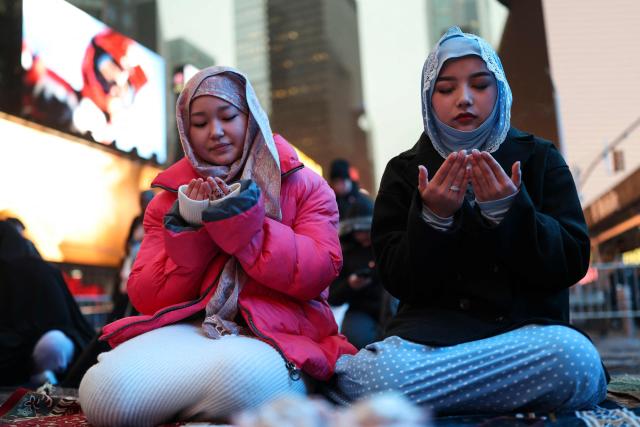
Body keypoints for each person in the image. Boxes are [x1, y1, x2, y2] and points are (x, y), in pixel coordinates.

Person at [332, 27, 607, 415]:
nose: (464, 99)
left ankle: (437, 401)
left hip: (523, 338)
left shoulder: (540, 158)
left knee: (573, 359)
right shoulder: (405, 170)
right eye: (446, 89)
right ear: (429, 99)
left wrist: (510, 212)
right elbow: (398, 279)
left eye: (479, 85)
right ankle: (500, 397)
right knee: (372, 376)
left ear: (500, 90)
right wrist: (433, 219)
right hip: (427, 343)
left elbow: (571, 261)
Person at [78, 66, 356, 426]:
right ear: (185, 129)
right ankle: (207, 412)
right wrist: (192, 224)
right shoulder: (166, 201)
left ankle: (189, 408)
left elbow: (316, 273)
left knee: (242, 380)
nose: (216, 132)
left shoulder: (306, 186)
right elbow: (147, 296)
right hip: (197, 329)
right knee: (104, 395)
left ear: (252, 117)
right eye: (200, 122)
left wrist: (243, 228)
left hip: (280, 337)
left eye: (228, 116)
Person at [0, 221, 94, 386]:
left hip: (44, 350)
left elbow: (60, 325)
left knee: (52, 344)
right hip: (33, 355)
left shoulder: (35, 271)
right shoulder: (44, 269)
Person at [328, 195, 387, 349]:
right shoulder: (346, 253)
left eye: (365, 230)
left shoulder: (385, 246)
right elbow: (333, 296)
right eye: (357, 231)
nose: (362, 235)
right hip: (360, 309)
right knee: (356, 339)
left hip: (389, 306)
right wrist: (350, 285)